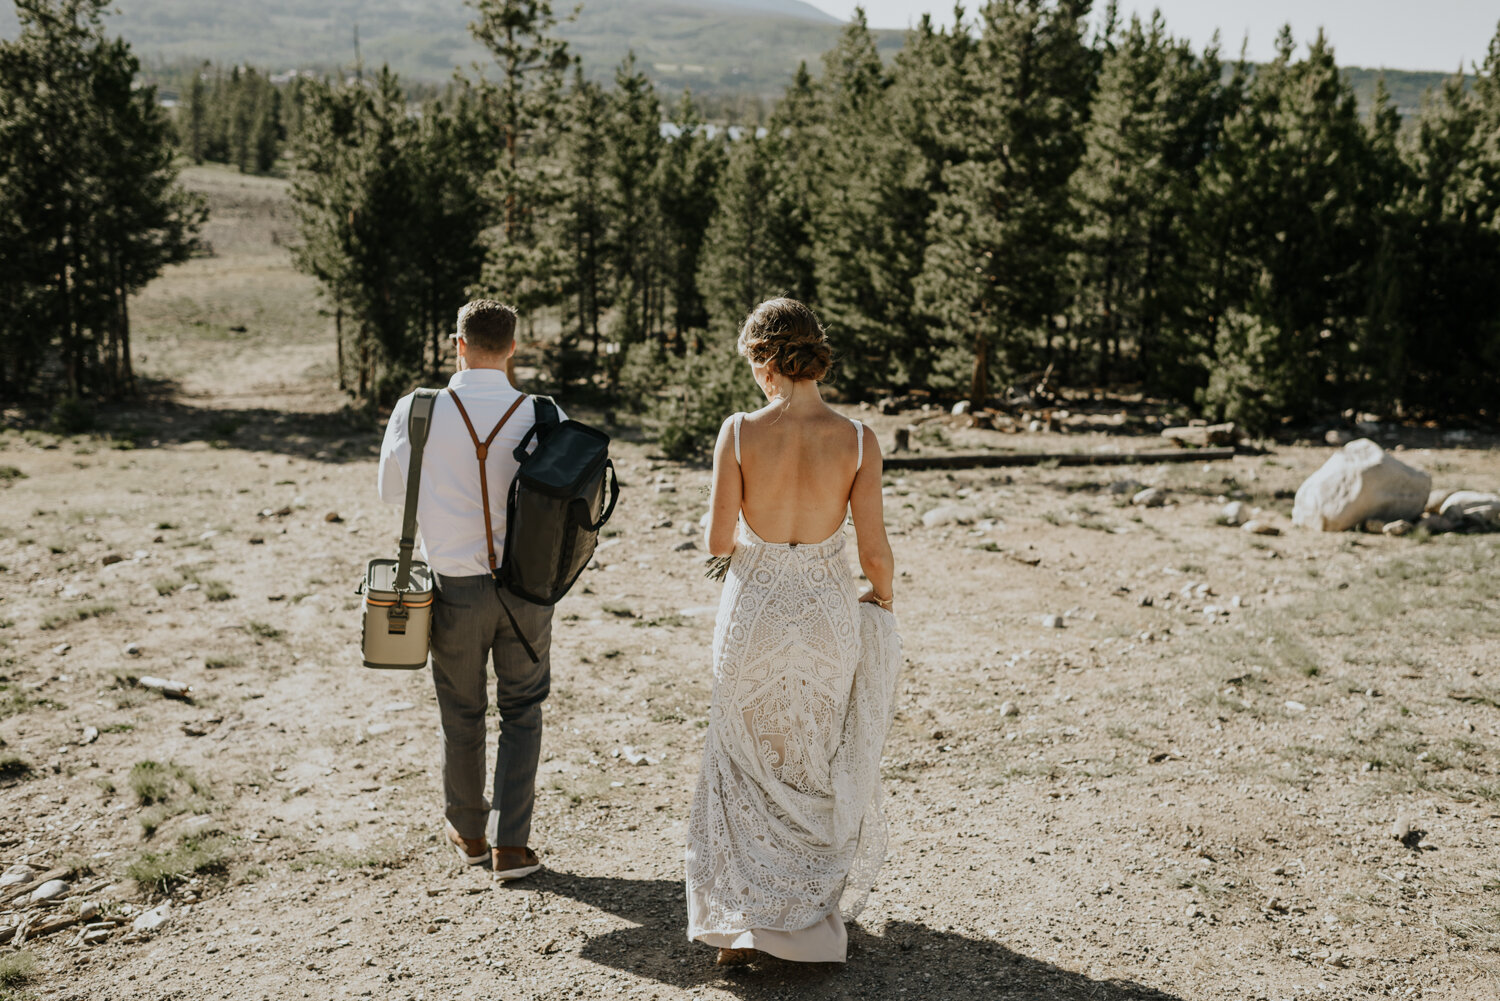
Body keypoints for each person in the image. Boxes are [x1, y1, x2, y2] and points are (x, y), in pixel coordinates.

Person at [685, 297, 903, 965]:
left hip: (754, 608)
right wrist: (882, 601)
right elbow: (874, 552)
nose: (754, 375)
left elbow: (720, 538)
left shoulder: (739, 432)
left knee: (745, 757)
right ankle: (804, 923)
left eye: (753, 361)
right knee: (810, 759)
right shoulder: (860, 438)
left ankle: (743, 924)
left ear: (769, 358)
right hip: (824, 612)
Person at [378, 299, 563, 880]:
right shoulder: (543, 411)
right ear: (513, 348)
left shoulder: (418, 408)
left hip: (451, 586)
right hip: (527, 592)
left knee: (461, 712)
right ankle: (513, 846)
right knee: (523, 711)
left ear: (457, 344)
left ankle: (469, 833)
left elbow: (391, 492)